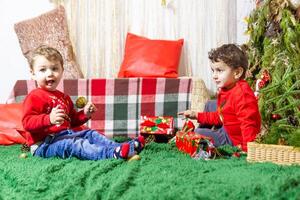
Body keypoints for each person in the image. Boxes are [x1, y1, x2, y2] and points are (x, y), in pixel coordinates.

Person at [22, 45, 144, 160]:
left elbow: (72, 121)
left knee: (90, 133)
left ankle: (122, 147)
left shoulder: (64, 97)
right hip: (44, 145)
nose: (50, 73)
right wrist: (48, 119)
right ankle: (110, 153)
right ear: (33, 74)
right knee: (74, 144)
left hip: (65, 135)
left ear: (62, 70)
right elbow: (27, 122)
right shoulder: (34, 96)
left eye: (54, 68)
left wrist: (84, 114)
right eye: (43, 70)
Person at [178, 44, 261, 152]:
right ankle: (204, 132)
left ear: (237, 73)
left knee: (198, 133)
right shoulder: (227, 89)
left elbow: (248, 125)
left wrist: (247, 150)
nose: (214, 75)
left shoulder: (242, 95)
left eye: (219, 71)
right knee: (210, 104)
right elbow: (221, 116)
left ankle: (202, 136)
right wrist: (196, 115)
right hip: (228, 128)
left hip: (235, 139)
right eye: (213, 71)